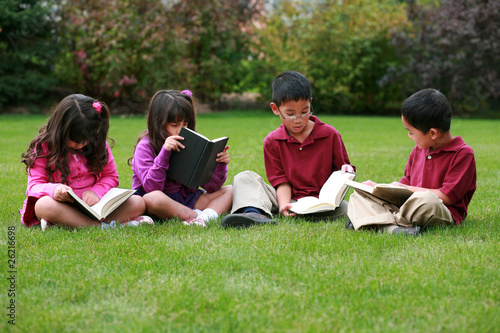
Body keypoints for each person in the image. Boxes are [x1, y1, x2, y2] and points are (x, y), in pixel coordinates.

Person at [222, 70, 355, 227]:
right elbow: (281, 182)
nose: (298, 120)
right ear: (275, 109)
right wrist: (285, 205)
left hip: (323, 204)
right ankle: (253, 214)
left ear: (310, 103)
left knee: (354, 206)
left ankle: (363, 219)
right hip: (287, 200)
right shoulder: (272, 141)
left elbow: (342, 172)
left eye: (304, 112)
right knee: (244, 177)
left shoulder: (329, 134)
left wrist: (346, 169)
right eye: (290, 114)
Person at [346, 88, 476, 236]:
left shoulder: (463, 153)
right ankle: (393, 228)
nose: (409, 136)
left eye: (411, 132)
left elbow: (447, 197)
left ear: (433, 133)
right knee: (360, 193)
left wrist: (404, 188)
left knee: (427, 200)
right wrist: (379, 189)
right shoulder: (419, 149)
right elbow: (407, 181)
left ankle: (372, 222)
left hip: (439, 210)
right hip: (406, 207)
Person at [20, 94, 152, 230]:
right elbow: (33, 186)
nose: (81, 144)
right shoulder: (45, 146)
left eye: (86, 138)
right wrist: (54, 190)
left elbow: (111, 177)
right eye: (75, 139)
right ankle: (104, 227)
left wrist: (96, 192)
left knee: (138, 202)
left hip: (95, 206)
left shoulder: (99, 144)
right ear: (61, 129)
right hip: (62, 205)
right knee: (44, 205)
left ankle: (71, 224)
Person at [130, 89, 232, 227]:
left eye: (185, 125)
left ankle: (205, 217)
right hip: (159, 204)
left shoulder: (189, 142)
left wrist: (220, 164)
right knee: (153, 198)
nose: (180, 130)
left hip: (187, 200)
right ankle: (198, 217)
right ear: (158, 122)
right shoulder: (145, 147)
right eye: (174, 125)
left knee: (231, 190)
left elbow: (212, 187)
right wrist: (165, 152)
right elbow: (152, 187)